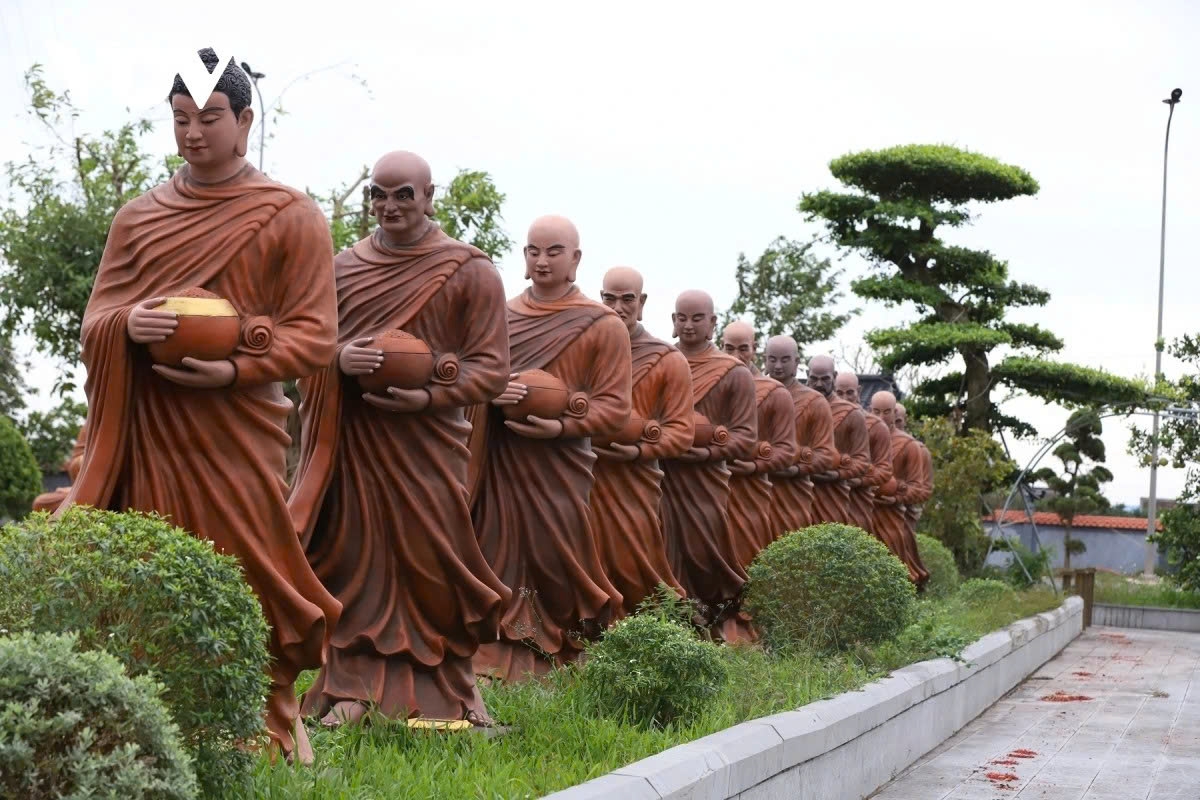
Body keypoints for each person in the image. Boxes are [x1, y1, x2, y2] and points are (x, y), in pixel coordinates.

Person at [55, 48, 340, 763]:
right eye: (181, 119)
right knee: (153, 565)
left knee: (247, 563)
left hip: (236, 431)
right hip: (150, 434)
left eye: (210, 118)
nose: (193, 133)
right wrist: (131, 326)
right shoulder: (138, 218)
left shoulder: (290, 216)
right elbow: (98, 319)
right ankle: (157, 713)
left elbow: (314, 336)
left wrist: (238, 354)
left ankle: (259, 715)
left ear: (244, 120)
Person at [292, 151, 511, 729]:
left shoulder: (470, 271)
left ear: (430, 196)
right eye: (378, 195)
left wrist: (431, 383)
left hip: (429, 447)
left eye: (403, 195)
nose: (389, 207)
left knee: (432, 561)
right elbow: (308, 350)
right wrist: (340, 358)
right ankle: (350, 691)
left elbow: (490, 370)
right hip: (357, 445)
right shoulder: (340, 269)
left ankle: (449, 694)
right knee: (354, 560)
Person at [468, 215, 631, 681]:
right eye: (533, 251)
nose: (541, 260)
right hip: (500, 460)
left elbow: (615, 411)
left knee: (560, 554)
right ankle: (498, 647)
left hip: (560, 466)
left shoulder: (602, 325)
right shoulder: (499, 317)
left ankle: (568, 643)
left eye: (554, 251)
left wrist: (561, 417)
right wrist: (491, 394)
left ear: (575, 259)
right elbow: (475, 380)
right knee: (494, 549)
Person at [589, 266, 693, 617]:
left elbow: (681, 432)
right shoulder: (585, 349)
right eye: (609, 298)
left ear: (642, 302)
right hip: (584, 474)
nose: (618, 306)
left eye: (627, 299)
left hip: (635, 482)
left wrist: (639, 444)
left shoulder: (667, 360)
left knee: (635, 561)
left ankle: (660, 624)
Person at [660, 291, 757, 641]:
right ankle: (675, 627)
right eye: (682, 318)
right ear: (673, 321)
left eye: (697, 318)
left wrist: (707, 448)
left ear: (712, 323)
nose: (688, 325)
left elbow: (745, 438)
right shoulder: (662, 363)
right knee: (662, 549)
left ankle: (716, 617)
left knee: (706, 555)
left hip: (706, 481)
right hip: (662, 477)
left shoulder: (734, 374)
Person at [720, 321, 796, 563]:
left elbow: (786, 452)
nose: (735, 356)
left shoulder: (774, 392)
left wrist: (753, 464)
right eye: (728, 348)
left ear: (754, 349)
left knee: (748, 556)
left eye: (743, 348)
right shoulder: (710, 386)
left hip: (751, 490)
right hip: (708, 487)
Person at [763, 336, 838, 537]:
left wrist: (794, 462)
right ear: (764, 359)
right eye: (772, 359)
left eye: (785, 360)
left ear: (797, 362)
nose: (778, 366)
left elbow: (825, 455)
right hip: (752, 489)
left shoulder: (814, 402)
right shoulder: (751, 392)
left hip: (792, 494)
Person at [870, 391, 931, 584]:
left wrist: (897, 494)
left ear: (895, 413)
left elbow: (921, 489)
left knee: (894, 565)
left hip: (893, 516)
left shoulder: (909, 446)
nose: (881, 417)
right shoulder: (863, 436)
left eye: (886, 412)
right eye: (876, 411)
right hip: (862, 510)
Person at [806, 356, 869, 526]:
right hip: (795, 492)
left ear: (834, 376)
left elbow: (862, 461)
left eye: (825, 378)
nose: (819, 384)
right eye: (814, 378)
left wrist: (836, 473)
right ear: (806, 374)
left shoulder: (851, 414)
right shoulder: (793, 404)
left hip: (832, 496)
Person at [834, 373, 893, 536]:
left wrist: (856, 477)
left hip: (859, 503)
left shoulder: (876, 426)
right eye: (839, 393)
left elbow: (885, 470)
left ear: (858, 391)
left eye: (850, 392)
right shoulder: (826, 418)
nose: (845, 398)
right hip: (827, 498)